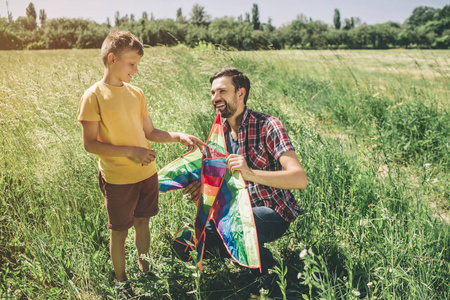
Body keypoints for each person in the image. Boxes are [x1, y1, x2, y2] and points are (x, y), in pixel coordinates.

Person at [78, 30, 206, 299]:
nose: (135, 71)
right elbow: (90, 144)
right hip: (117, 178)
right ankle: (122, 281)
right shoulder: (94, 96)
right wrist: (132, 152)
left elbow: (151, 133)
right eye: (131, 64)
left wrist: (177, 136)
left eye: (137, 65)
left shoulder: (136, 93)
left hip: (147, 175)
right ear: (112, 59)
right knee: (120, 231)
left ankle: (145, 269)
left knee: (143, 223)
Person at [181, 67, 307, 298]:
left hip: (273, 210)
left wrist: (251, 173)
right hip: (236, 210)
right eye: (212, 93)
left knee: (236, 227)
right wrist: (203, 190)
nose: (215, 98)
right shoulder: (219, 134)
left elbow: (299, 178)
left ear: (241, 93)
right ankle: (244, 258)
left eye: (222, 91)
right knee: (187, 241)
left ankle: (273, 277)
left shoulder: (268, 125)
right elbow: (222, 186)